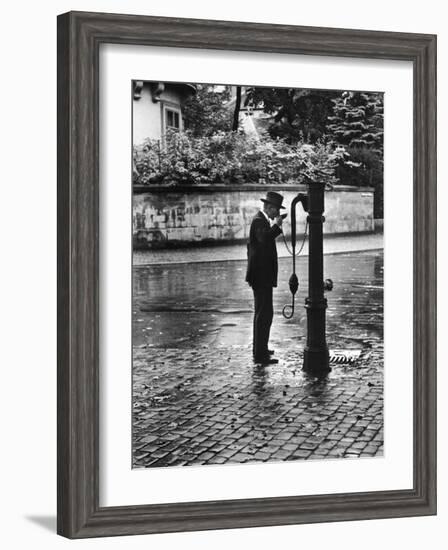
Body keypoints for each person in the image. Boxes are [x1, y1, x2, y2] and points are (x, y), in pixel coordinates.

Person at [246, 191, 285, 365]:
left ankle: (261, 348)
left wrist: (275, 225)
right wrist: (277, 226)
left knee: (264, 312)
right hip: (260, 275)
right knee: (263, 313)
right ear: (269, 208)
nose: (277, 214)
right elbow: (264, 238)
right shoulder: (258, 220)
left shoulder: (261, 220)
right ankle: (259, 354)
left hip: (262, 275)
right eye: (276, 211)